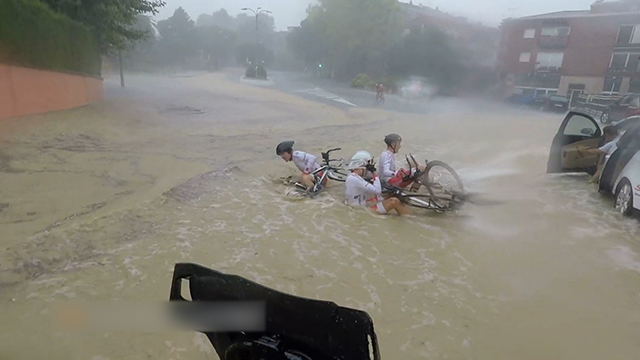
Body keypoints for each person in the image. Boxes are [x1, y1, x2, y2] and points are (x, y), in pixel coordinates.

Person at [344, 150, 411, 216]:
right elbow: (377, 191)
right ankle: (411, 217)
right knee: (393, 201)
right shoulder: (354, 179)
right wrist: (374, 173)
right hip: (360, 211)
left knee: (388, 195)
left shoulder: (352, 175)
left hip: (360, 204)